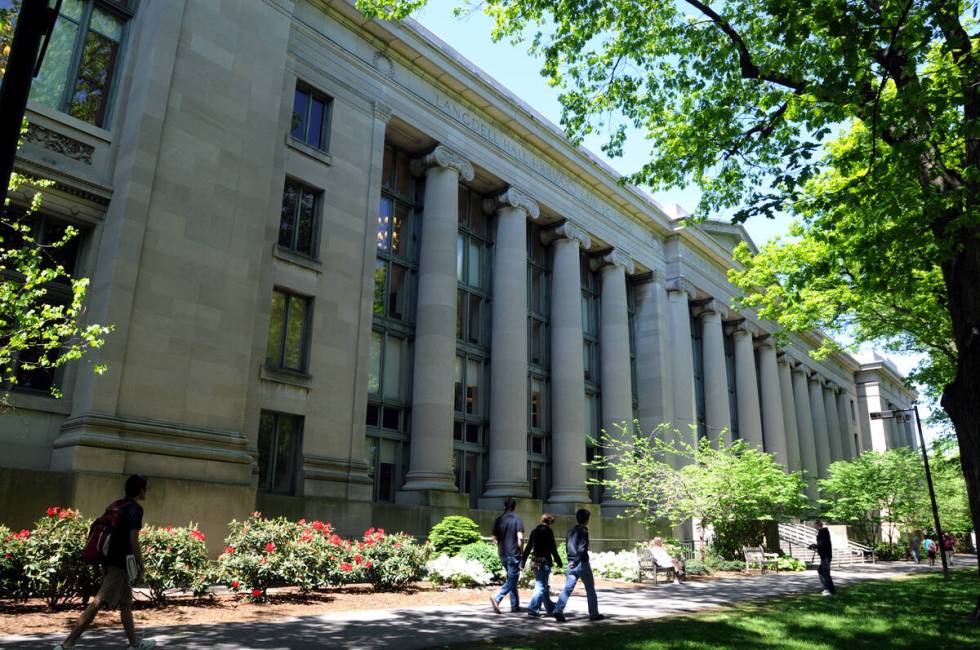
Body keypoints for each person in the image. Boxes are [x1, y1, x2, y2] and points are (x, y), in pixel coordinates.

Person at [54, 474, 155, 650]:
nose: (146, 491)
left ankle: (135, 643)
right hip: (121, 563)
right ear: (140, 490)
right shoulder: (135, 509)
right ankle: (66, 644)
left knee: (125, 603)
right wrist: (141, 565)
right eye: (146, 488)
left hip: (108, 558)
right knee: (97, 603)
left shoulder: (116, 505)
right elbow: (133, 540)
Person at [552, 509, 603, 622]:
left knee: (567, 589)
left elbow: (567, 546)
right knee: (590, 589)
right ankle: (594, 613)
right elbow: (582, 548)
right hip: (581, 563)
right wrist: (576, 561)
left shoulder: (570, 531)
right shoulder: (584, 531)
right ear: (586, 519)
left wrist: (571, 561)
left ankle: (558, 609)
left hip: (570, 562)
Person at [520, 514, 562, 617]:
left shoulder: (534, 531)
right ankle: (533, 609)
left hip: (535, 561)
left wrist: (522, 561)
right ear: (550, 522)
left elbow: (528, 547)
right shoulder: (548, 531)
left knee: (543, 586)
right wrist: (559, 561)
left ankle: (550, 607)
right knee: (540, 586)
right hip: (545, 561)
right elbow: (553, 548)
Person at [489, 497, 524, 614]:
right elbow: (520, 538)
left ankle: (515, 606)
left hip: (502, 553)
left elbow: (494, 539)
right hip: (513, 553)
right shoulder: (517, 519)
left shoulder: (498, 520)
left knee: (511, 578)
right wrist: (521, 550)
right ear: (514, 507)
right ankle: (497, 597)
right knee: (513, 578)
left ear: (504, 506)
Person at [808, 519, 835, 596]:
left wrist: (814, 546)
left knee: (825, 573)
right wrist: (815, 546)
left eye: (814, 525)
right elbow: (821, 545)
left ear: (817, 525)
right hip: (825, 555)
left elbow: (822, 545)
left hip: (826, 556)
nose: (813, 526)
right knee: (821, 571)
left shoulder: (822, 533)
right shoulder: (823, 532)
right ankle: (829, 589)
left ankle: (828, 590)